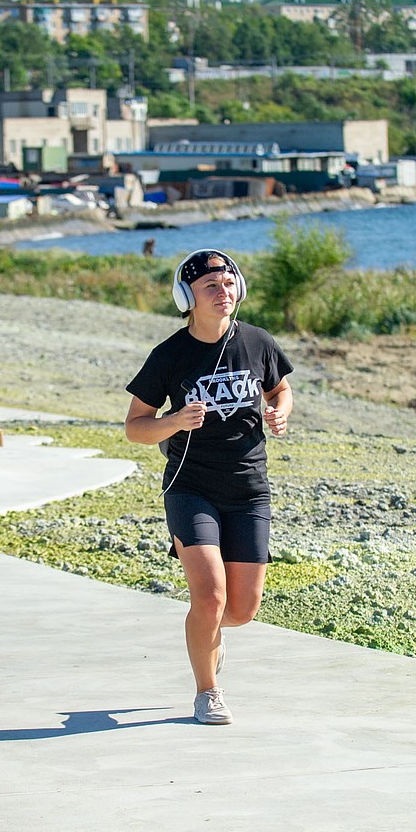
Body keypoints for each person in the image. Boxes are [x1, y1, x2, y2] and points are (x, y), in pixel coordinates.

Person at [124, 249, 293, 725]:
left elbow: (279, 387)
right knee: (210, 596)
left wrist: (281, 410)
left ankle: (208, 641)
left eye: (228, 284)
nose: (224, 294)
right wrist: (174, 420)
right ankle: (208, 691)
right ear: (187, 298)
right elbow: (136, 427)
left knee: (241, 610)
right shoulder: (170, 355)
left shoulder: (257, 341)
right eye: (210, 288)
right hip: (190, 486)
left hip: (248, 489)